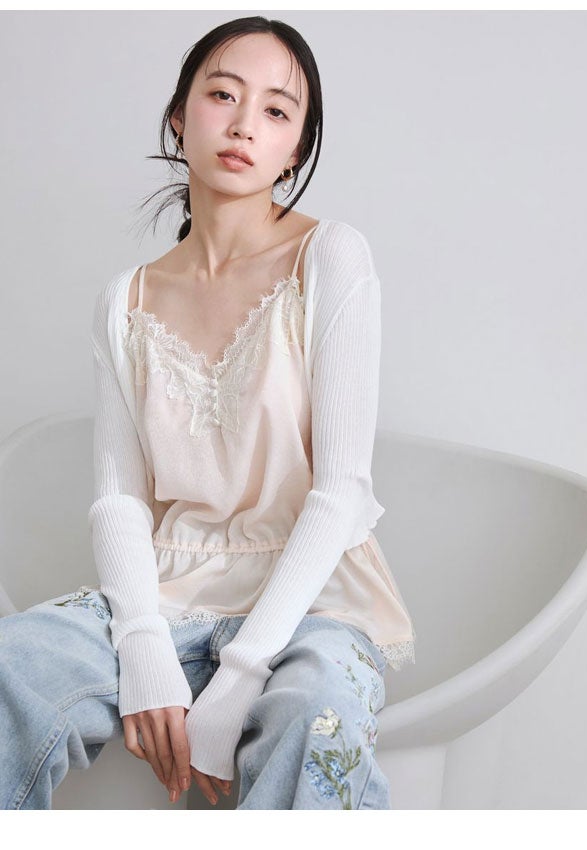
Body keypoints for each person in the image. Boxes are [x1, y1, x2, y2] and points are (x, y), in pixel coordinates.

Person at [0, 15, 416, 810]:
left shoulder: (330, 257)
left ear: (294, 150)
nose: (244, 124)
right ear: (177, 116)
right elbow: (119, 499)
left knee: (316, 709)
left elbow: (342, 490)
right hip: (167, 593)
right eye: (223, 95)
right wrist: (144, 647)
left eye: (276, 110)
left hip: (312, 605)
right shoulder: (125, 298)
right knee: (12, 664)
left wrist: (243, 673)